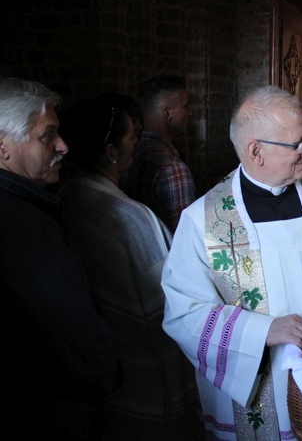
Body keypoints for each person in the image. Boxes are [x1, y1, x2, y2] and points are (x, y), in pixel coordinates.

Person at [160, 85, 302, 440]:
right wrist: (261, 331)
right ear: (255, 151)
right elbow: (184, 312)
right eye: (298, 144)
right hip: (263, 388)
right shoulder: (204, 220)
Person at [58, 94, 201, 441]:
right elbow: (166, 310)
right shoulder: (133, 221)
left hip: (98, 380)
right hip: (144, 386)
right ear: (111, 150)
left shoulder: (64, 197)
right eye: (131, 137)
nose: (137, 144)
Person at [0, 78, 120, 439]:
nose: (63, 146)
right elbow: (71, 330)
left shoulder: (30, 207)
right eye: (46, 136)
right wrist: (106, 373)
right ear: (2, 147)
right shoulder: (21, 223)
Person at [120, 74, 196, 233]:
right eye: (185, 106)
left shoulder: (129, 152)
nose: (189, 113)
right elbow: (184, 238)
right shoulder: (172, 169)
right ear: (168, 113)